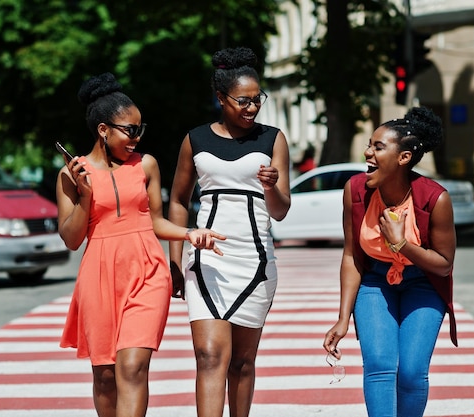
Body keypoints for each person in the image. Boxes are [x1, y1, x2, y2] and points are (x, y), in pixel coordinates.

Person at [55, 72, 225, 417]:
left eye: (140, 129)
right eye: (130, 130)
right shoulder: (72, 175)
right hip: (98, 275)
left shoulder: (145, 164)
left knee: (132, 367)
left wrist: (190, 233)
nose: (137, 137)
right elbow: (72, 239)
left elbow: (155, 220)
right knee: (105, 376)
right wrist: (85, 197)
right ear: (104, 130)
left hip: (147, 272)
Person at [168, 47, 291, 417]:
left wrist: (271, 186)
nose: (252, 108)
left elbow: (281, 211)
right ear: (221, 98)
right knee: (208, 356)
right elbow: (177, 200)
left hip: (255, 262)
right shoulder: (196, 139)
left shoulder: (273, 139)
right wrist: (176, 261)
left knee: (241, 363)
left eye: (257, 100)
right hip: (206, 262)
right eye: (243, 100)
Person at [323, 107, 458, 417]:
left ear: (404, 158)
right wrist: (343, 318)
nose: (368, 152)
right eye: (370, 144)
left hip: (423, 282)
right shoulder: (355, 191)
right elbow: (351, 256)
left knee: (411, 372)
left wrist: (401, 244)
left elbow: (444, 264)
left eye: (378, 147)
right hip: (374, 282)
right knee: (381, 366)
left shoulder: (434, 198)